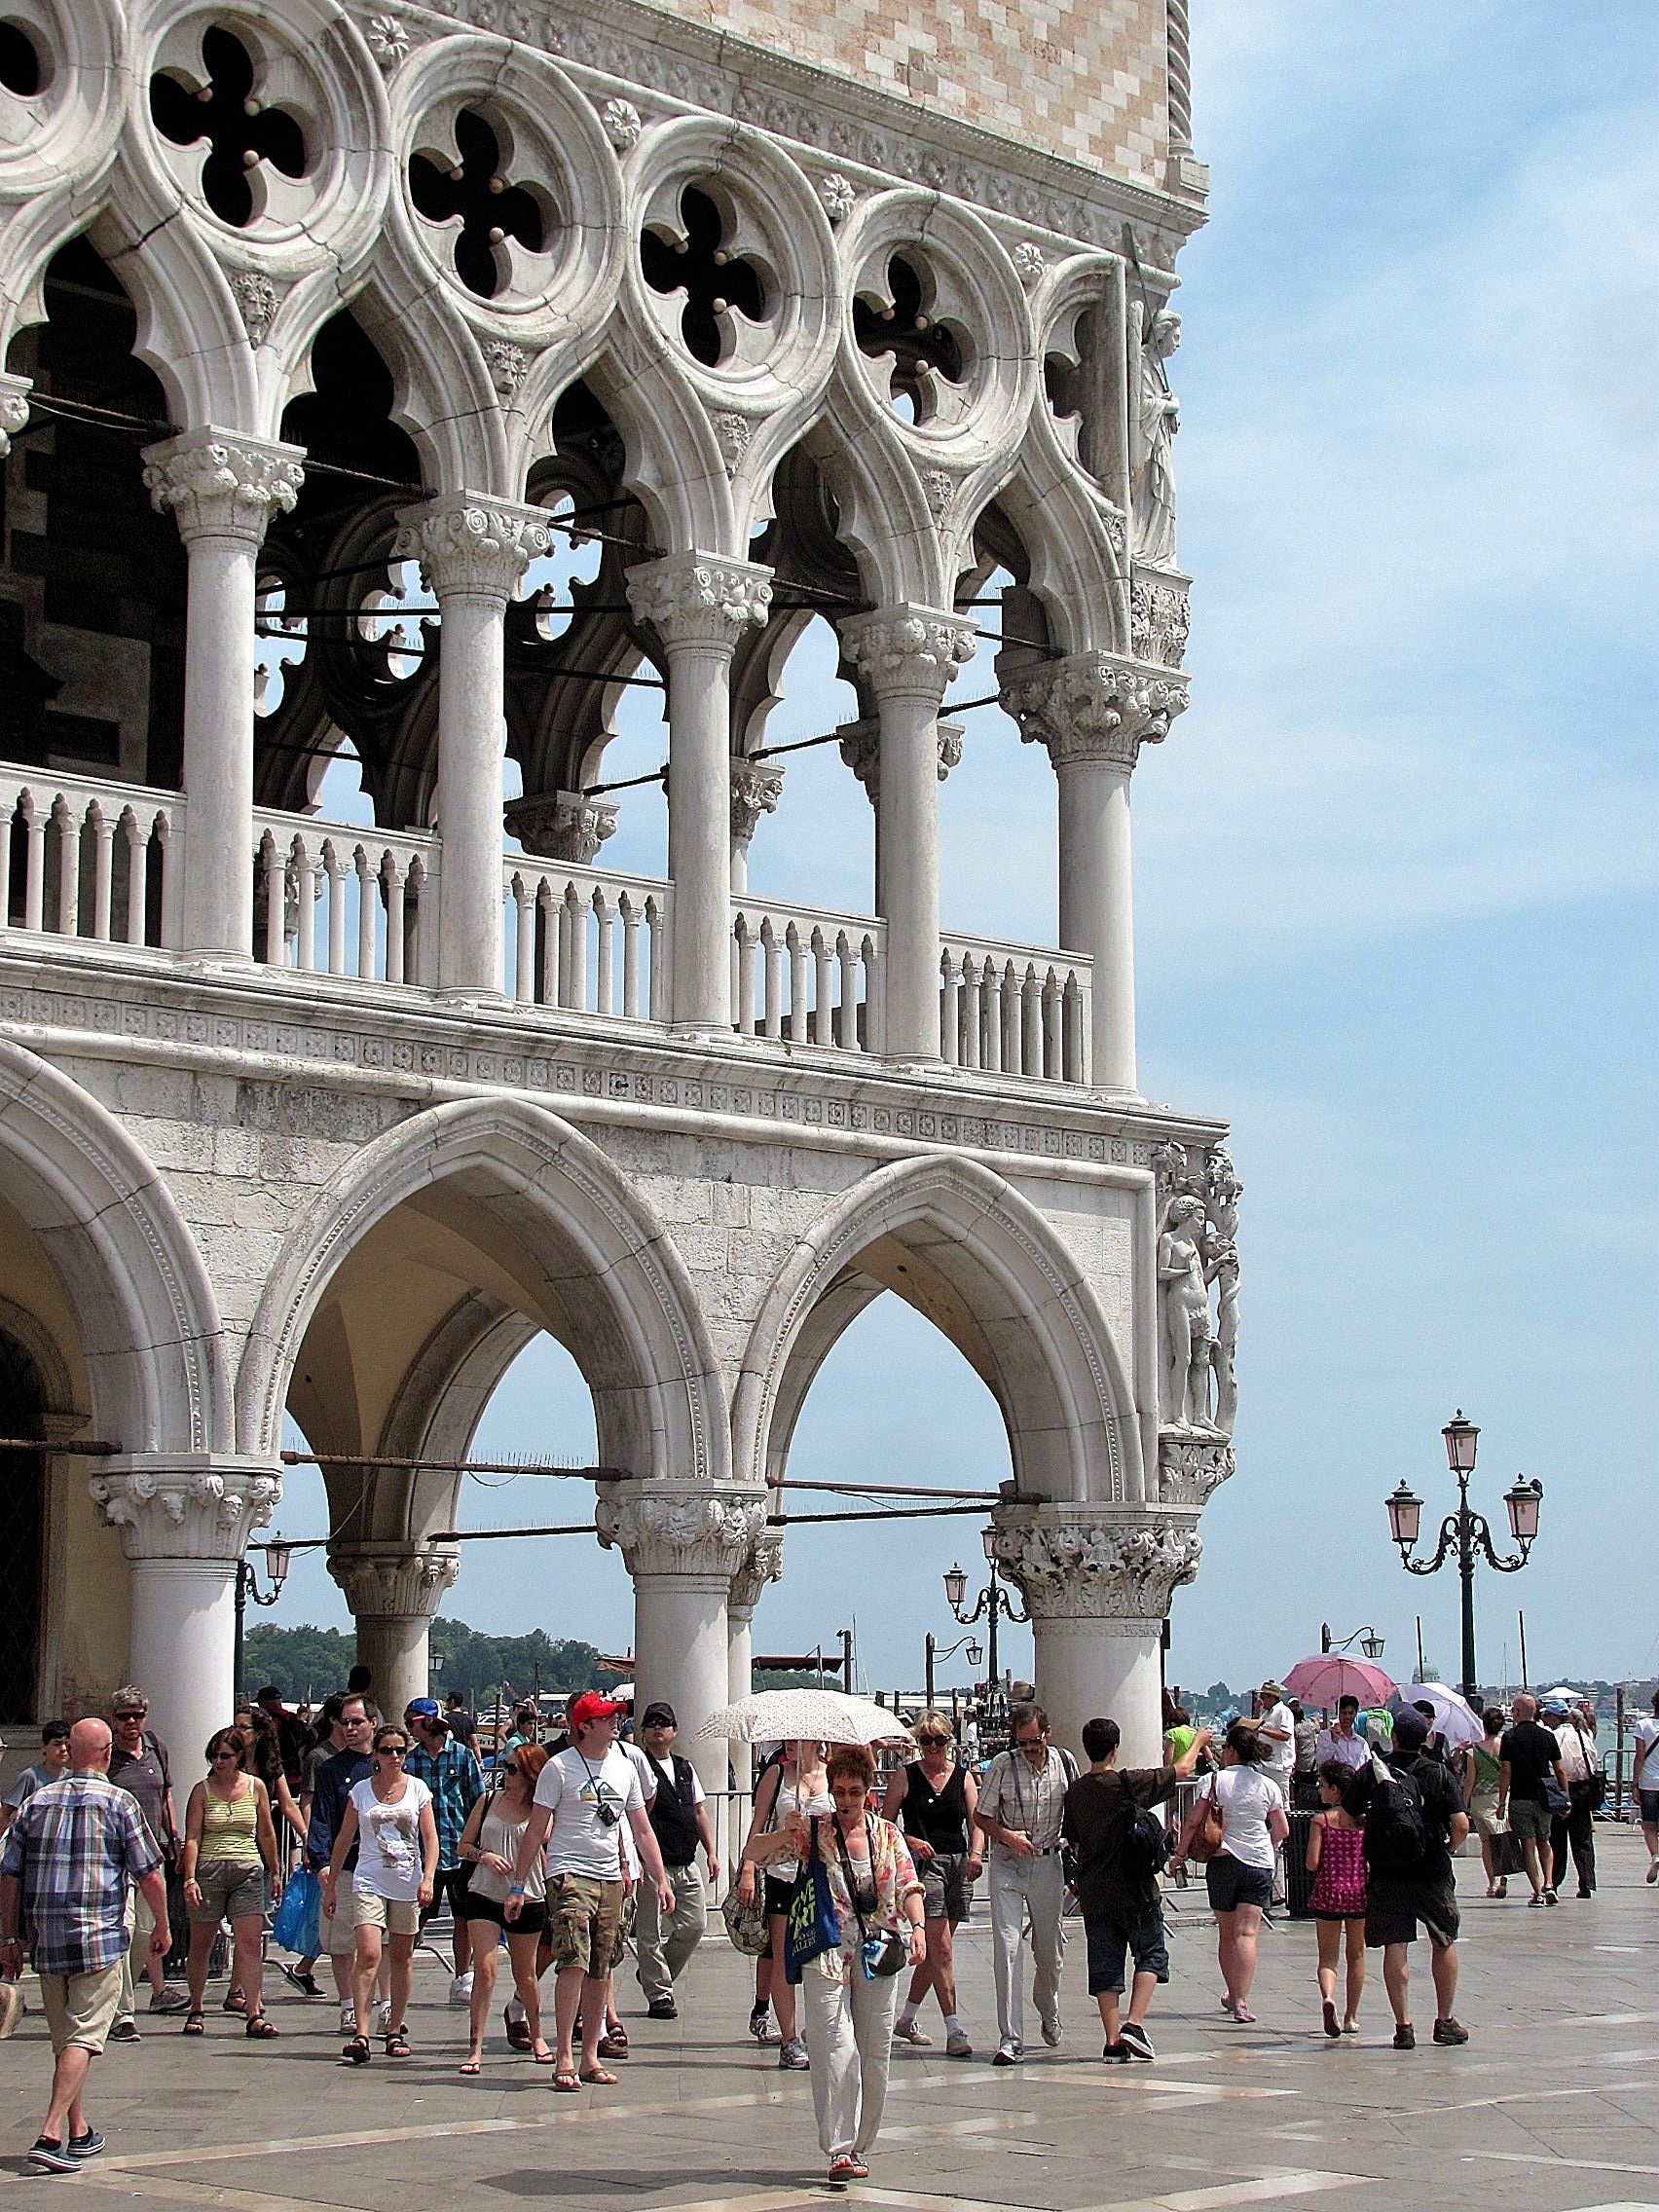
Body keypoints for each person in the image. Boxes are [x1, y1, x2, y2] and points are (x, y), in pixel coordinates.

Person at [0, 1718, 169, 2172]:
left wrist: (9, 1937)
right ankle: (51, 2132)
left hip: (47, 1941)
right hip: (100, 1938)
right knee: (83, 2038)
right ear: (107, 1753)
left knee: (65, 2042)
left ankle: (80, 2130)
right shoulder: (119, 1802)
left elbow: (9, 1872)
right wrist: (164, 1928)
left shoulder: (37, 1801)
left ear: (69, 1751)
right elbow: (150, 1873)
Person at [503, 1690, 675, 2091]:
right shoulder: (558, 1769)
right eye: (606, 1718)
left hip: (611, 1877)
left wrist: (660, 1878)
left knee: (602, 1965)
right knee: (573, 1961)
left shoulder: (625, 1767)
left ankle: (589, 2056)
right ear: (584, 1726)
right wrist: (518, 1883)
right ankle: (564, 2053)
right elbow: (535, 1829)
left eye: (616, 1717)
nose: (616, 1723)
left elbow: (640, 1828)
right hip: (569, 1873)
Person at [799, 1746, 926, 2186]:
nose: (847, 1800)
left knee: (874, 2052)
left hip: (880, 1950)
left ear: (868, 1789)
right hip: (828, 1950)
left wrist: (919, 1927)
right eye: (838, 1792)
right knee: (836, 2046)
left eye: (854, 1791)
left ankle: (859, 2143)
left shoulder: (889, 1834)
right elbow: (758, 1851)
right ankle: (837, 2148)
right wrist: (785, 1834)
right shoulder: (815, 1831)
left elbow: (910, 1883)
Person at [1061, 1714, 1211, 2063]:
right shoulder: (1126, 1782)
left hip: (1096, 1891)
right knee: (1151, 1954)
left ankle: (1112, 2041)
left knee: (1105, 1966)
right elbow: (1182, 1771)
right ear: (1115, 1748)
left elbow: (1073, 1838)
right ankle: (1134, 2023)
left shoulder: (1076, 1793)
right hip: (1136, 1886)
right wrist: (1201, 1741)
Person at [1342, 1708, 1469, 2048]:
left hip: (1387, 1870)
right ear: (1426, 1739)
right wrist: (1448, 1848)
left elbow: (1347, 1815)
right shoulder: (1439, 1773)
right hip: (1431, 1869)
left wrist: (1369, 1827)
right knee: (1443, 1940)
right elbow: (1461, 1825)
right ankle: (1444, 2021)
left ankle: (1404, 2026)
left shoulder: (1375, 1770)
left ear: (1393, 1737)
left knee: (1395, 1945)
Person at [322, 1721, 438, 2064]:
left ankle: (394, 2027)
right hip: (369, 1877)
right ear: (376, 1753)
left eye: (400, 1750)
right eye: (387, 1750)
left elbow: (429, 1840)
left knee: (401, 1957)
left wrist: (428, 1878)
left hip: (406, 1879)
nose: (394, 1756)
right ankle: (361, 2031)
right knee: (369, 1953)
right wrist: (330, 1887)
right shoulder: (361, 1791)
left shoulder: (418, 1790)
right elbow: (344, 1839)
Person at [974, 1702, 1077, 2065]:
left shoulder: (1065, 1763)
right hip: (1007, 1864)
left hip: (1049, 1863)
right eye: (1022, 1743)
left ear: (1047, 1734)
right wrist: (1007, 1836)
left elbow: (1078, 1812)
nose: (1029, 1749)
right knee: (1007, 1947)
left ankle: (1048, 2007)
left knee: (1049, 1954)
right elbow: (981, 1815)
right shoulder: (1003, 1765)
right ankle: (1010, 2037)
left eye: (1034, 1741)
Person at [1173, 1717, 1287, 2025]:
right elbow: (1282, 1829)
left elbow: (1195, 1821)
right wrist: (1265, 1845)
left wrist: (1179, 1855)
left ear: (1233, 1752)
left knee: (1226, 1933)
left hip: (1223, 1861)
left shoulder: (1213, 1782)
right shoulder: (1268, 1785)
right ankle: (1241, 2001)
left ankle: (1231, 1990)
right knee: (1247, 1933)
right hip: (1259, 1863)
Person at [881, 1711, 980, 2056]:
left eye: (939, 1740)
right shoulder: (905, 1777)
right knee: (942, 1950)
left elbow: (976, 1820)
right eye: (926, 1741)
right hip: (926, 1868)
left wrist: (977, 1852)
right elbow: (885, 1825)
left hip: (958, 1865)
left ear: (949, 1742)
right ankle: (954, 2029)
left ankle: (906, 2018)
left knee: (935, 1952)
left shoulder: (963, 1777)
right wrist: (911, 1842)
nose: (933, 1748)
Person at [178, 1727, 281, 2041]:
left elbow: (266, 1831)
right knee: (202, 1943)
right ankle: (196, 2005)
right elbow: (193, 1836)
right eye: (214, 1756)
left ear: (239, 1757)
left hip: (248, 1868)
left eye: (225, 1756)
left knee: (249, 1943)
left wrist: (275, 1870)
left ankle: (254, 2011)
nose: (219, 1762)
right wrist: (190, 1877)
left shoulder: (256, 1787)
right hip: (210, 1868)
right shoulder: (202, 1791)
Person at [455, 1742, 553, 2073]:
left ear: (529, 1774)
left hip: (528, 1894)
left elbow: (548, 1845)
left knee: (525, 1974)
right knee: (484, 1969)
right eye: (505, 1767)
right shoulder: (488, 1801)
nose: (505, 1774)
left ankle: (537, 2034)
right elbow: (462, 1846)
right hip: (484, 1892)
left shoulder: (543, 1810)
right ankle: (475, 2046)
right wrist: (484, 1855)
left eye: (512, 1769)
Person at [736, 1737, 830, 2068]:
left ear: (816, 1741)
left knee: (823, 1958)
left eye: (797, 1739)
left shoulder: (830, 1778)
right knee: (782, 1957)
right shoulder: (776, 1775)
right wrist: (748, 1867)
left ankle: (817, 2027)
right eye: (787, 1739)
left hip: (822, 1881)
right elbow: (758, 1825)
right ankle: (789, 2038)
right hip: (782, 1875)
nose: (789, 1744)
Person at [105, 1687, 188, 2035]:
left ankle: (129, 1995)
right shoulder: (108, 1757)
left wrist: (175, 1836)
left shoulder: (156, 1748)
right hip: (118, 1858)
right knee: (124, 1929)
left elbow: (165, 1794)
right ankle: (123, 2012)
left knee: (146, 1930)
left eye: (136, 1715)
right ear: (114, 1720)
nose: (131, 1722)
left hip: (153, 1853)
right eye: (124, 1716)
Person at [634, 1701, 719, 2020]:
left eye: (665, 1722)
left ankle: (655, 1973)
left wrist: (711, 1852)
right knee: (649, 1930)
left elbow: (699, 1810)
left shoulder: (685, 1767)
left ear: (675, 1731)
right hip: (653, 1863)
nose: (659, 1727)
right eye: (652, 1722)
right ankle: (659, 1995)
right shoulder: (638, 1766)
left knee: (695, 1925)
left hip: (686, 1860)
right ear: (643, 1731)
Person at [404, 1698, 485, 2004]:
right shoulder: (410, 1761)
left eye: (412, 1721)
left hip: (459, 1847)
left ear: (427, 1722)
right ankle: (401, 1971)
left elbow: (478, 1799)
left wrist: (477, 1841)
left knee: (464, 1917)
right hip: (424, 1853)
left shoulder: (462, 1756)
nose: (408, 1727)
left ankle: (462, 1976)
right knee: (416, 1917)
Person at [303, 1694, 376, 2030]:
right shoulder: (330, 1767)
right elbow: (321, 1818)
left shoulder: (387, 1764)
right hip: (344, 1866)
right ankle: (348, 2004)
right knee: (341, 1940)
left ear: (372, 1724)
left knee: (382, 1942)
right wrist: (321, 1863)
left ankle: (384, 2002)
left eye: (357, 1722)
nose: (349, 1728)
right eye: (345, 1722)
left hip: (383, 1867)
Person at [1307, 1760, 1367, 2038]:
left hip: (1329, 1891)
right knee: (1356, 1955)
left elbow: (1311, 1862)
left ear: (1334, 1789)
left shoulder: (1321, 1821)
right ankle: (1351, 2015)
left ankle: (1328, 1997)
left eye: (1322, 1784)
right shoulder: (1363, 1822)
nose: (1320, 1789)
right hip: (1358, 1892)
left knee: (1327, 1957)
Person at [1496, 1693, 1567, 1905]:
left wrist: (1501, 1802)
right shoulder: (1547, 1736)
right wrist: (1565, 1797)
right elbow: (1559, 1770)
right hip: (1545, 1797)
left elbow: (1506, 1772)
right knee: (1544, 1840)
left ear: (1517, 1713)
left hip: (1520, 1797)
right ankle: (1549, 1884)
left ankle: (1536, 1892)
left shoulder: (1510, 1737)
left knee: (1528, 1844)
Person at [1548, 1700, 1601, 1899]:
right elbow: (1593, 1763)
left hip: (1562, 1788)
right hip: (1584, 1790)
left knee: (1557, 1840)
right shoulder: (1584, 1736)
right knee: (1583, 1840)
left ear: (1553, 1717)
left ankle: (1553, 1881)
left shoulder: (1554, 1736)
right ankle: (1586, 1882)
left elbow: (1555, 1766)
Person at [1464, 1709, 1509, 1897]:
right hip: (1501, 1797)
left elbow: (1470, 1780)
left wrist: (1463, 1804)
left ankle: (1491, 1883)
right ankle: (1504, 1878)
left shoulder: (1474, 1750)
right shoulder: (1506, 1747)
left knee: (1487, 1843)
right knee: (1503, 1840)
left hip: (1480, 1801)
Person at [1, 1720, 71, 1836]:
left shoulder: (71, 1777)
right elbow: (6, 1812)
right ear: (44, 1747)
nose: (63, 1749)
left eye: (67, 1744)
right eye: (57, 1744)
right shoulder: (31, 1776)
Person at [1254, 1681, 1296, 1806]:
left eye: (1264, 1697)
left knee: (1281, 1802)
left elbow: (1285, 1735)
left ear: (1272, 1697)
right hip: (1265, 1762)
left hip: (1279, 1764)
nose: (1262, 1700)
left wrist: (1262, 1729)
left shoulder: (1283, 1711)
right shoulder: (1266, 1713)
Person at [1633, 1687, 1659, 1884]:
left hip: (1649, 1782)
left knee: (1649, 1826)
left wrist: (1634, 1784)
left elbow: (1640, 1757)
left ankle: (1656, 1856)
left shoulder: (1643, 1725)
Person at [1316, 1696, 1370, 1776]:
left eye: (1351, 1713)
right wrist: (1333, 1743)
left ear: (1355, 1714)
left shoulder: (1362, 1743)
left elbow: (1367, 1767)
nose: (1347, 1717)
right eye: (1344, 1713)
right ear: (1337, 1713)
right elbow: (1321, 1763)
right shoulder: (1326, 1736)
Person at [445, 1692, 481, 1760]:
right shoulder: (469, 1719)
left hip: (450, 1754)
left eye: (447, 1700)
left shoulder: (445, 1719)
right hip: (465, 1754)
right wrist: (479, 1760)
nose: (446, 1703)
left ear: (452, 1701)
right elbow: (474, 1743)